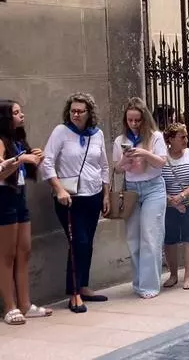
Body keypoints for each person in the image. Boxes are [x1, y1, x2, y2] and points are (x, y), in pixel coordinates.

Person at [41, 93, 111, 312]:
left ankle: (83, 286)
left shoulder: (96, 134)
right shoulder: (61, 132)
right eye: (73, 111)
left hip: (93, 196)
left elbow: (104, 166)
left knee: (87, 242)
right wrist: (58, 188)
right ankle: (73, 293)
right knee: (78, 242)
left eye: (80, 111)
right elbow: (47, 162)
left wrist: (106, 194)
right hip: (69, 198)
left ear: (89, 113)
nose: (76, 115)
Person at [0, 100, 51, 325]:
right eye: (16, 113)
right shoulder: (0, 141)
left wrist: (33, 158)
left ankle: (25, 303)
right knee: (7, 255)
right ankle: (9, 307)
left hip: (19, 196)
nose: (22, 115)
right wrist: (21, 159)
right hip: (4, 198)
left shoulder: (17, 140)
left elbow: (20, 168)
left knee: (24, 251)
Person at [112, 98, 168, 299]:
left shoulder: (155, 137)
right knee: (133, 238)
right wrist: (124, 160)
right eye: (130, 120)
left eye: (137, 120)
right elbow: (117, 169)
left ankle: (150, 285)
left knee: (150, 236)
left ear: (144, 119)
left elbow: (161, 163)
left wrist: (144, 153)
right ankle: (138, 282)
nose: (133, 124)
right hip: (131, 189)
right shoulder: (121, 140)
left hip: (153, 188)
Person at [160, 123, 189, 291]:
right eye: (182, 137)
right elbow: (156, 181)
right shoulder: (162, 158)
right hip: (169, 205)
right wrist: (169, 199)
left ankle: (188, 276)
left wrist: (182, 196)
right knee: (170, 240)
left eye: (186, 136)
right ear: (170, 139)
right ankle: (173, 275)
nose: (186, 140)